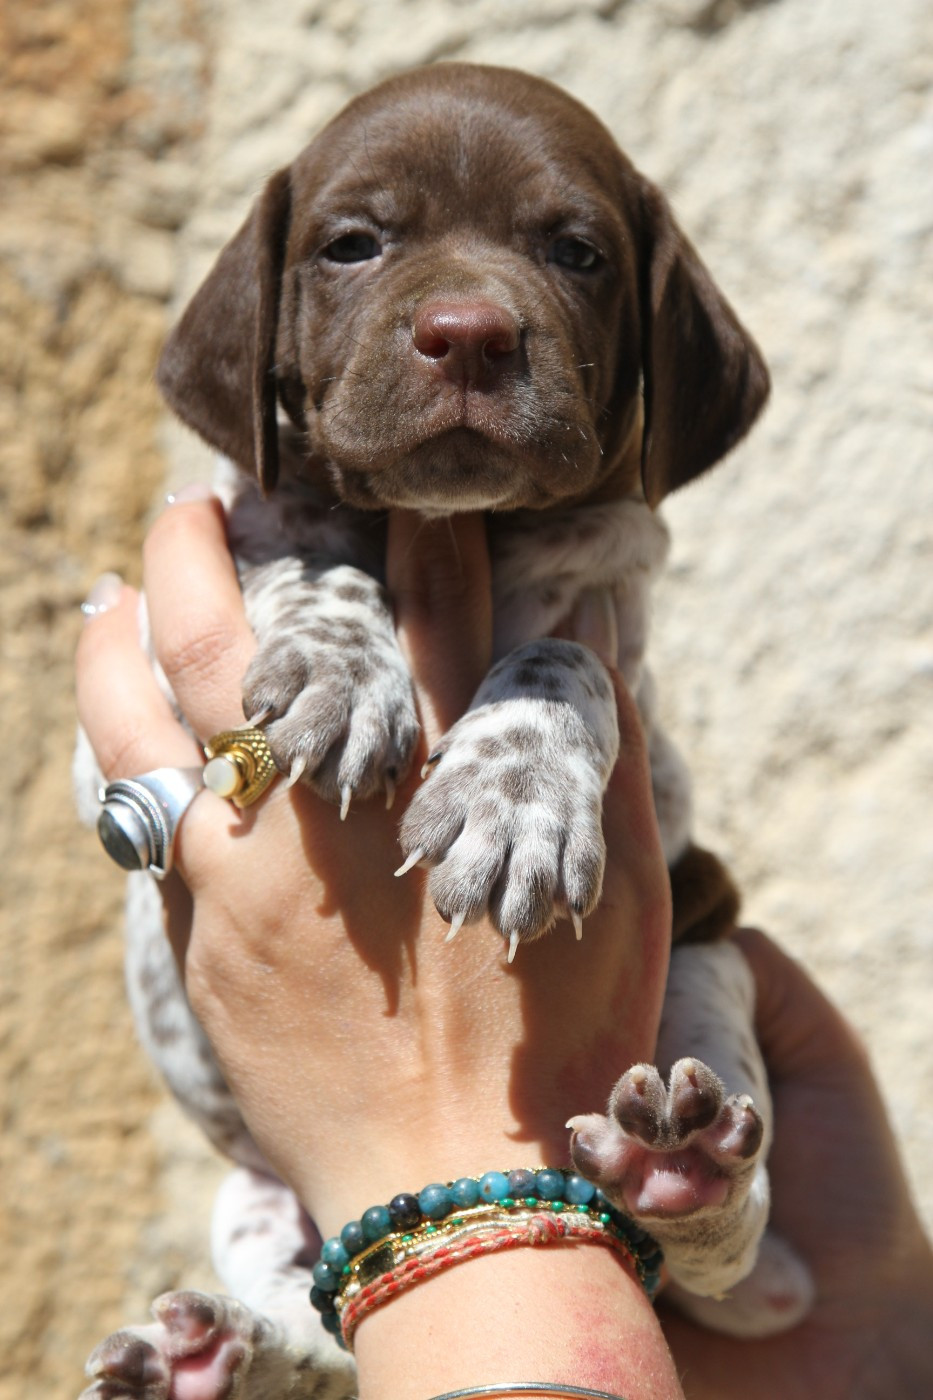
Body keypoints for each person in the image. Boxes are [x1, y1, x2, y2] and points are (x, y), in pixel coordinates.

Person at [76, 491, 933, 1400]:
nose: (463, 340)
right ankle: (303, 1345)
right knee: (249, 1220)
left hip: (607, 1110)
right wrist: (869, 1352)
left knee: (700, 974)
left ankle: (716, 1220)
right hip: (320, 1190)